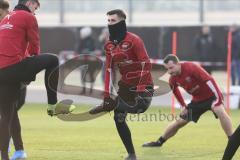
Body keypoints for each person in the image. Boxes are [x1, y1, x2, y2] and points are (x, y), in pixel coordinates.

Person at [0, 1, 74, 159]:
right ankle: (53, 105)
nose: (35, 11)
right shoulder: (28, 17)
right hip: (15, 67)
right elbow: (34, 47)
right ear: (29, 3)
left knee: (8, 114)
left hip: (2, 71)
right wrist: (27, 72)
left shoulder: (5, 19)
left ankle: (8, 155)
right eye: (35, 7)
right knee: (53, 60)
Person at [89, 9, 154, 160]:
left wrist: (140, 89)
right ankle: (131, 155)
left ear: (122, 21)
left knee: (139, 108)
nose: (110, 24)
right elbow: (108, 70)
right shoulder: (109, 45)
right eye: (108, 21)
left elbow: (147, 64)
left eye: (113, 21)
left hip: (143, 87)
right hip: (125, 87)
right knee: (118, 117)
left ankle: (109, 105)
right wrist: (106, 94)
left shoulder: (135, 40)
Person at [142, 54, 233, 148]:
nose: (169, 71)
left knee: (219, 110)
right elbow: (175, 91)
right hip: (197, 101)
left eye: (171, 68)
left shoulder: (191, 67)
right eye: (167, 69)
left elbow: (209, 80)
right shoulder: (172, 79)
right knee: (179, 122)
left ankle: (232, 140)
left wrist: (218, 98)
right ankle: (159, 142)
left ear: (178, 64)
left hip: (212, 97)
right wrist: (183, 106)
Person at [0, 1, 27, 159]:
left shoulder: (14, 26)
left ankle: (13, 148)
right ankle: (17, 150)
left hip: (16, 76)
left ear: (6, 11)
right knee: (9, 112)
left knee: (10, 112)